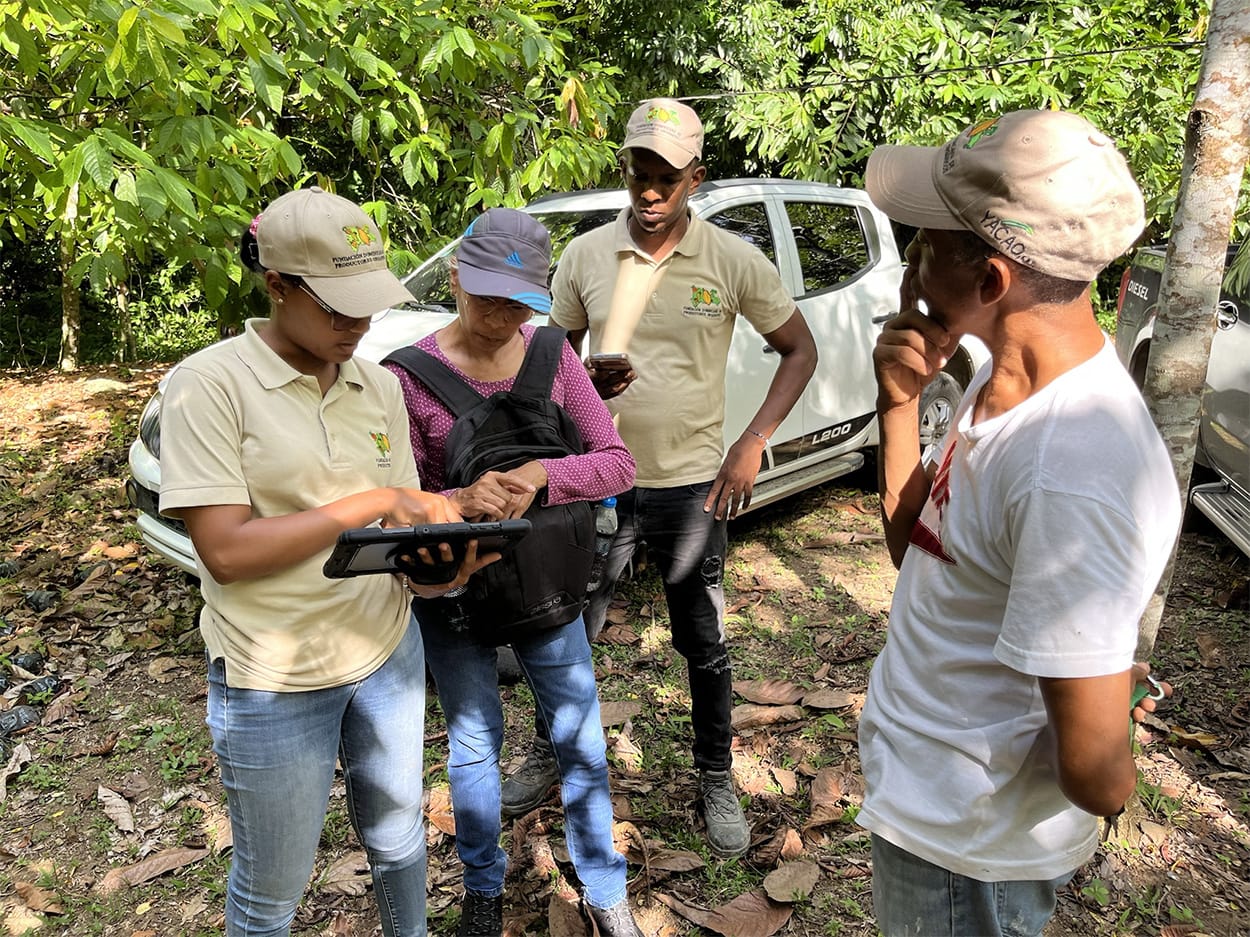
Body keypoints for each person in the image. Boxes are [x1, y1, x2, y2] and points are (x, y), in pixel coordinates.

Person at [855, 110, 1182, 936]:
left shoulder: (1073, 466)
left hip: (969, 850)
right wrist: (899, 406)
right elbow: (921, 553)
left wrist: (1104, 712)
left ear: (992, 279)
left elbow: (1099, 781)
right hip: (930, 805)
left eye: (928, 240)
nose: (912, 255)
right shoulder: (1000, 381)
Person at [159, 187, 486, 937]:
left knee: (399, 839)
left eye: (368, 306)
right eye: (339, 309)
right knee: (271, 892)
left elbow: (397, 536)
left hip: (384, 649)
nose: (359, 326)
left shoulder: (378, 385)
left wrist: (438, 569)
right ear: (277, 284)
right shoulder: (209, 386)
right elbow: (227, 551)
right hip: (274, 675)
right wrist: (374, 499)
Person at [511, 97, 818, 859]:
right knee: (568, 626)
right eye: (638, 174)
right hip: (598, 477)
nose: (650, 191)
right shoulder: (587, 256)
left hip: (692, 484)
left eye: (667, 178)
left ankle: (715, 773)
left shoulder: (732, 259)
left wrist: (752, 442)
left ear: (696, 179)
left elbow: (800, 348)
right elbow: (549, 370)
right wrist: (586, 385)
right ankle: (551, 751)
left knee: (702, 638)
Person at [385, 208, 643, 937]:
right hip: (453, 590)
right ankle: (483, 885)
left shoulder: (553, 356)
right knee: (473, 743)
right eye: (489, 298)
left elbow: (616, 463)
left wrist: (541, 474)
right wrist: (456, 500)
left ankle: (604, 887)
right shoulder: (408, 377)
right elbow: (398, 498)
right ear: (456, 278)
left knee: (579, 735)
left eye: (520, 303)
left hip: (547, 583)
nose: (503, 318)